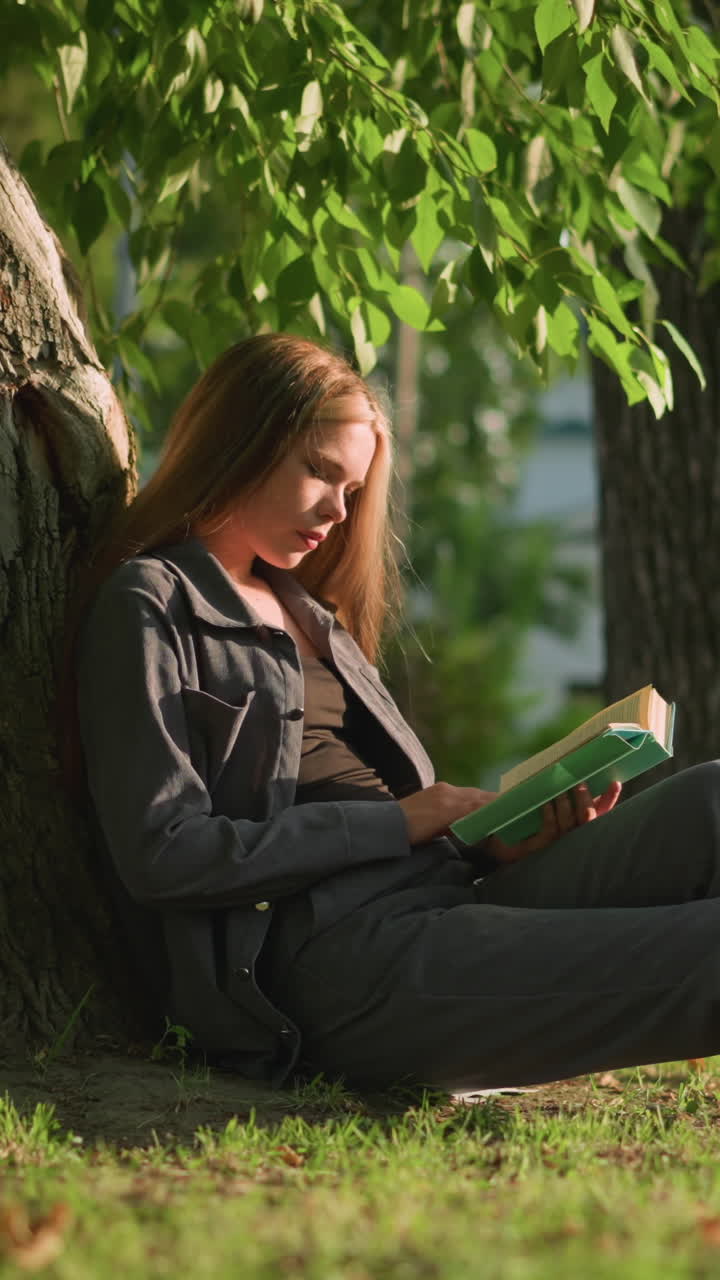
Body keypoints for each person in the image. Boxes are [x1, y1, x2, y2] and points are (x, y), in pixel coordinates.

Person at [75, 333, 720, 1092]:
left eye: (351, 490)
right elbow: (165, 854)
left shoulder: (311, 613)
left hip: (451, 895)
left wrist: (490, 844)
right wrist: (400, 822)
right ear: (241, 441)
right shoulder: (151, 601)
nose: (337, 511)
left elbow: (383, 815)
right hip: (335, 960)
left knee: (711, 798)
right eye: (320, 472)